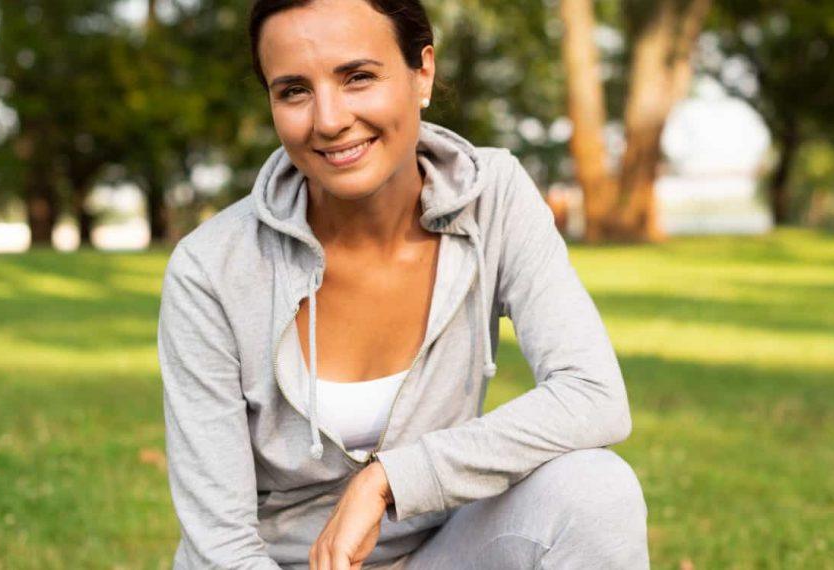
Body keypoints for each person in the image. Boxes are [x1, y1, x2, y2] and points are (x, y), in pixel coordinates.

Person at [155, 0, 649, 567]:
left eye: (358, 77)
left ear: (423, 73)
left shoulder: (493, 198)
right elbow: (220, 544)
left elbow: (593, 396)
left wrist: (390, 479)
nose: (329, 120)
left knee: (595, 489)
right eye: (294, 91)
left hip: (444, 551)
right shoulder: (211, 270)